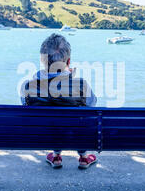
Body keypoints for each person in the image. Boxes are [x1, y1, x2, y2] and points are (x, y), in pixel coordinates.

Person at [20, 33, 98, 169]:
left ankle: (56, 156)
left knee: (53, 122)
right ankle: (84, 157)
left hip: (42, 136)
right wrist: (69, 77)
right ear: (68, 62)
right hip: (75, 134)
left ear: (43, 61)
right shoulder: (81, 86)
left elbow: (25, 107)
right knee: (82, 119)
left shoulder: (27, 86)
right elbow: (91, 105)